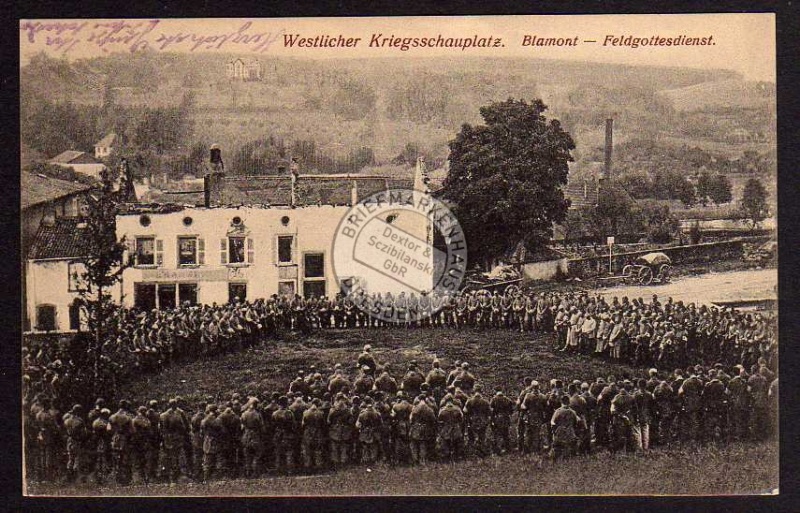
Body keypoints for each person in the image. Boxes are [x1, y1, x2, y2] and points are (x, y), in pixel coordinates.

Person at [160, 398, 188, 483]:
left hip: (168, 438)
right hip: (177, 438)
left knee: (169, 456)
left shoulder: (163, 415)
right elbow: (185, 426)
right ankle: (177, 474)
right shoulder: (179, 414)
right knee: (178, 456)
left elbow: (161, 429)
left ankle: (170, 475)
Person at [550, 395, 581, 461]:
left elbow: (552, 422)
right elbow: (578, 421)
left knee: (556, 447)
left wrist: (554, 431)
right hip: (570, 433)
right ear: (569, 402)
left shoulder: (558, 411)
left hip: (560, 433)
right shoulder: (573, 412)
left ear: (561, 401)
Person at [240, 398, 265, 478]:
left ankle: (248, 472)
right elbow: (262, 427)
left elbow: (242, 427)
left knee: (247, 455)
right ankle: (255, 472)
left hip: (246, 435)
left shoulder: (244, 414)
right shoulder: (257, 414)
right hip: (255, 435)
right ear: (256, 405)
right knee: (257, 454)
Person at [409, 394, 436, 464]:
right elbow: (433, 419)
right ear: (425, 399)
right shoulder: (429, 408)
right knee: (423, 444)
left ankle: (415, 459)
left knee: (413, 444)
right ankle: (422, 460)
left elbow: (411, 418)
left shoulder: (415, 408)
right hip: (425, 427)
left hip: (416, 426)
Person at [63, 404, 87, 483]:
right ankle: (75, 476)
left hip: (69, 440)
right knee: (77, 458)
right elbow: (84, 433)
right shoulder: (80, 421)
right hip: (77, 440)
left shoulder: (67, 420)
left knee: (70, 457)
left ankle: (69, 475)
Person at [301, 398, 326, 471]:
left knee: (307, 449)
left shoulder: (305, 413)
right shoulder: (321, 413)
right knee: (318, 450)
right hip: (318, 432)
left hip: (308, 432)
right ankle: (319, 466)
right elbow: (323, 424)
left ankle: (308, 466)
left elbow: (303, 424)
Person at [356, 397, 383, 464]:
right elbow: (381, 423)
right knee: (374, 446)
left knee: (365, 447)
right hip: (374, 432)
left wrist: (361, 428)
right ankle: (373, 459)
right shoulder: (377, 414)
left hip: (364, 431)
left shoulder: (362, 413)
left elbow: (357, 424)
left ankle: (366, 460)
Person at [490, 389, 514, 455]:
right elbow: (511, 411)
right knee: (506, 434)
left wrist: (492, 420)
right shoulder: (508, 400)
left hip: (497, 418)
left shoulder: (493, 399)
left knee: (497, 434)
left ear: (496, 392)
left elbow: (491, 411)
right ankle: (508, 449)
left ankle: (498, 450)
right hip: (506, 418)